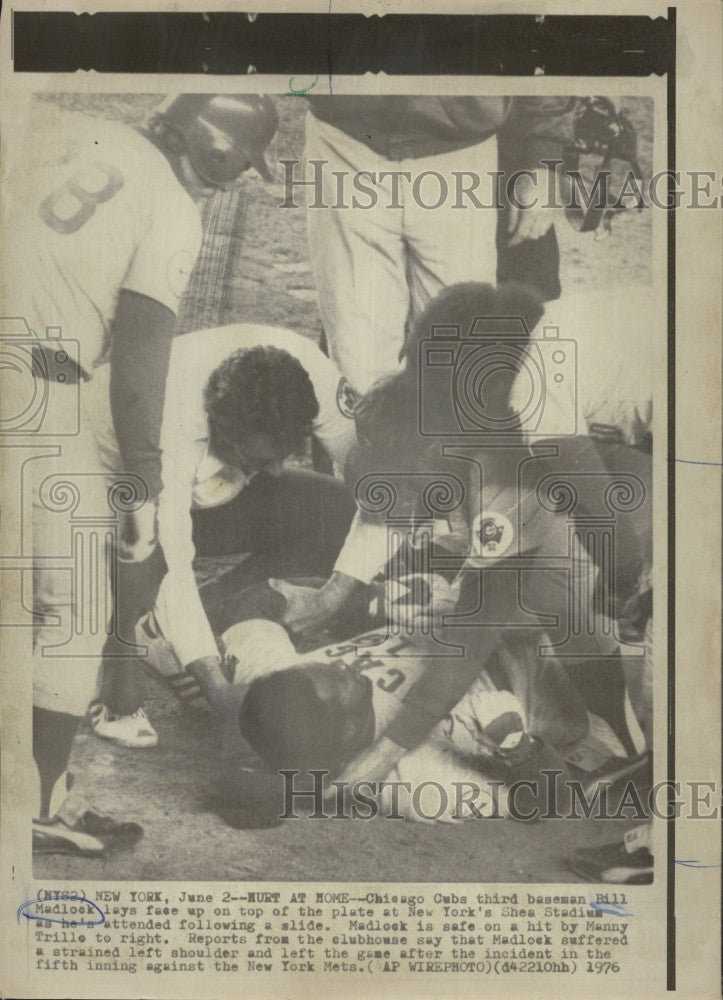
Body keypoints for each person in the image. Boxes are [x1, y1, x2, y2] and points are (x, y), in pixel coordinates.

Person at [2, 93, 278, 854]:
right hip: (30, 391)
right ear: (217, 152)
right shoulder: (170, 204)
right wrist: (146, 484)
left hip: (26, 360)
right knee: (75, 612)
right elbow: (138, 364)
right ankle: (38, 803)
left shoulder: (66, 127)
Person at [269, 281, 649, 798]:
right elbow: (482, 617)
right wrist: (388, 752)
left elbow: (618, 543)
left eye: (427, 497)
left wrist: (624, 585)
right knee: (565, 593)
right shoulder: (512, 388)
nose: (436, 515)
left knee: (656, 640)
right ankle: (636, 747)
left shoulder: (533, 401)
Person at [91, 323, 361, 717]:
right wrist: (214, 683)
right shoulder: (173, 424)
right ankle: (135, 621)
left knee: (335, 510)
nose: (277, 471)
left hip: (195, 495)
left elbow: (374, 479)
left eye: (287, 451)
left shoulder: (309, 374)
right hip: (100, 503)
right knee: (144, 565)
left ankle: (194, 617)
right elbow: (172, 561)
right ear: (226, 427)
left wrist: (342, 591)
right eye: (261, 459)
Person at [303, 96, 574, 393]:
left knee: (460, 359)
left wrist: (544, 157)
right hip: (346, 138)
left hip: (461, 146)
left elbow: (544, 55)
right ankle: (369, 435)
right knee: (358, 359)